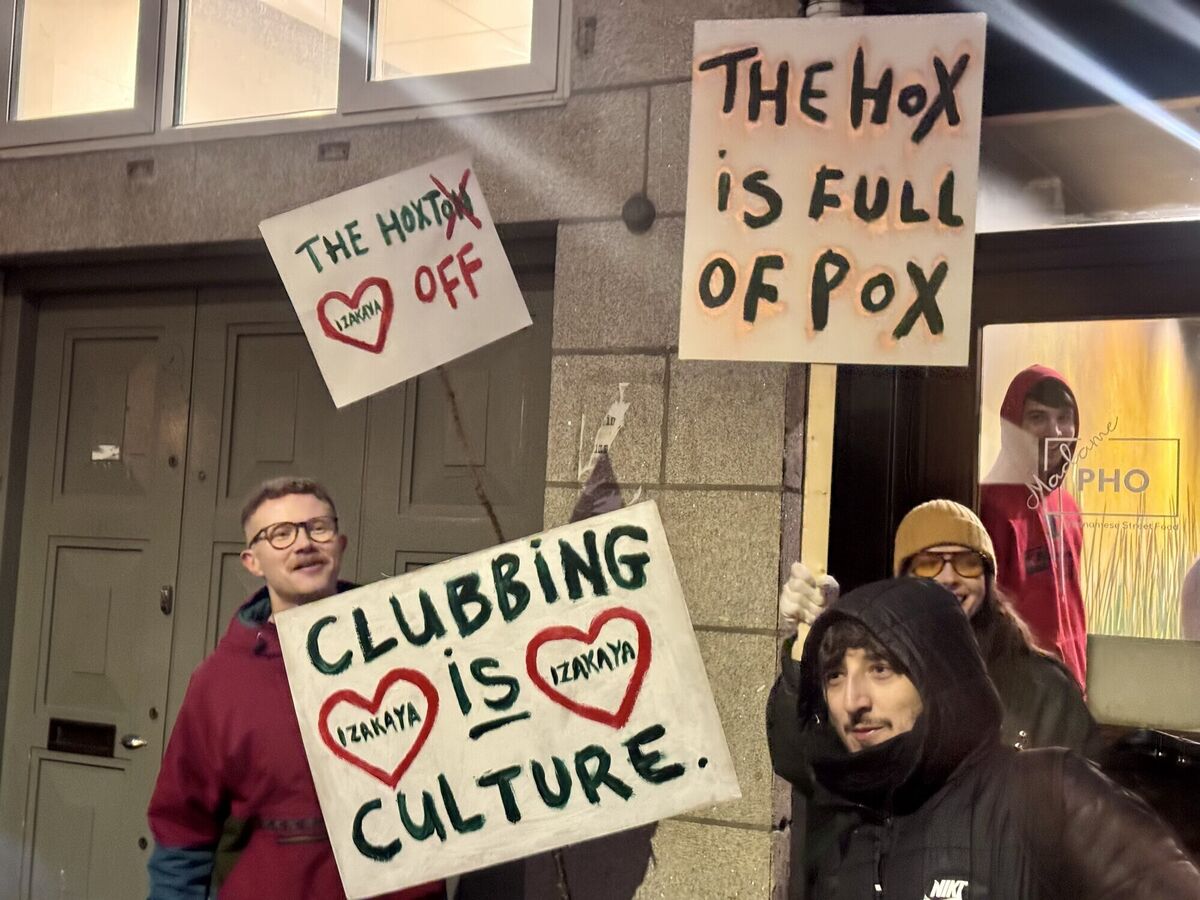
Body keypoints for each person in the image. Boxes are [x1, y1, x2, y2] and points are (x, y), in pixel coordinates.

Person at [785, 577, 1200, 898]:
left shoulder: (1045, 792)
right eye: (835, 676)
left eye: (881, 670)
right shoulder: (849, 826)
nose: (853, 700)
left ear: (937, 675)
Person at [769, 499, 1098, 889]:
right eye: (928, 563)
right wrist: (807, 643)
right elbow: (799, 756)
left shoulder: (1042, 687)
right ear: (903, 577)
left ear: (989, 577)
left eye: (967, 562)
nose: (949, 576)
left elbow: (1085, 816)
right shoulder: (877, 678)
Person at [147, 477, 444, 900]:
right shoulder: (218, 683)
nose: (304, 543)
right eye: (280, 534)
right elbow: (183, 829)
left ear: (339, 543)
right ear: (252, 561)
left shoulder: (412, 654)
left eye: (317, 527)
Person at [980, 364, 1088, 689]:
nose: (1054, 430)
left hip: (1069, 688)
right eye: (1037, 417)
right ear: (1014, 425)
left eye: (1063, 418)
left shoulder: (1068, 507)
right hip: (1016, 692)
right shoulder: (989, 506)